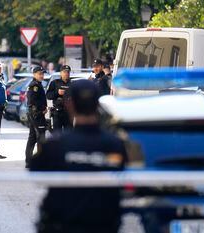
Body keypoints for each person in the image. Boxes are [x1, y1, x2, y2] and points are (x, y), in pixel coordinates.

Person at [29, 80, 127, 233]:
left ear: (70, 105)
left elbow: (36, 174)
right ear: (98, 106)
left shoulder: (55, 144)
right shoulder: (115, 144)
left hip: (63, 225)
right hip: (103, 225)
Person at [25, 66, 47, 168]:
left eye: (42, 74)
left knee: (33, 137)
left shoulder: (38, 84)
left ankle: (29, 161)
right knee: (40, 137)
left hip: (36, 114)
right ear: (34, 74)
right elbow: (31, 101)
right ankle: (40, 161)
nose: (41, 75)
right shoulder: (35, 85)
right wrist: (41, 109)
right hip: (37, 115)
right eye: (39, 74)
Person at [46, 65, 72, 132]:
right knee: (57, 135)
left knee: (68, 135)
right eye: (64, 72)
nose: (66, 74)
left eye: (68, 72)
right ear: (60, 73)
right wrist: (57, 93)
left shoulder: (72, 84)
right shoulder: (55, 83)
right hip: (57, 113)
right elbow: (48, 96)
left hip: (69, 113)